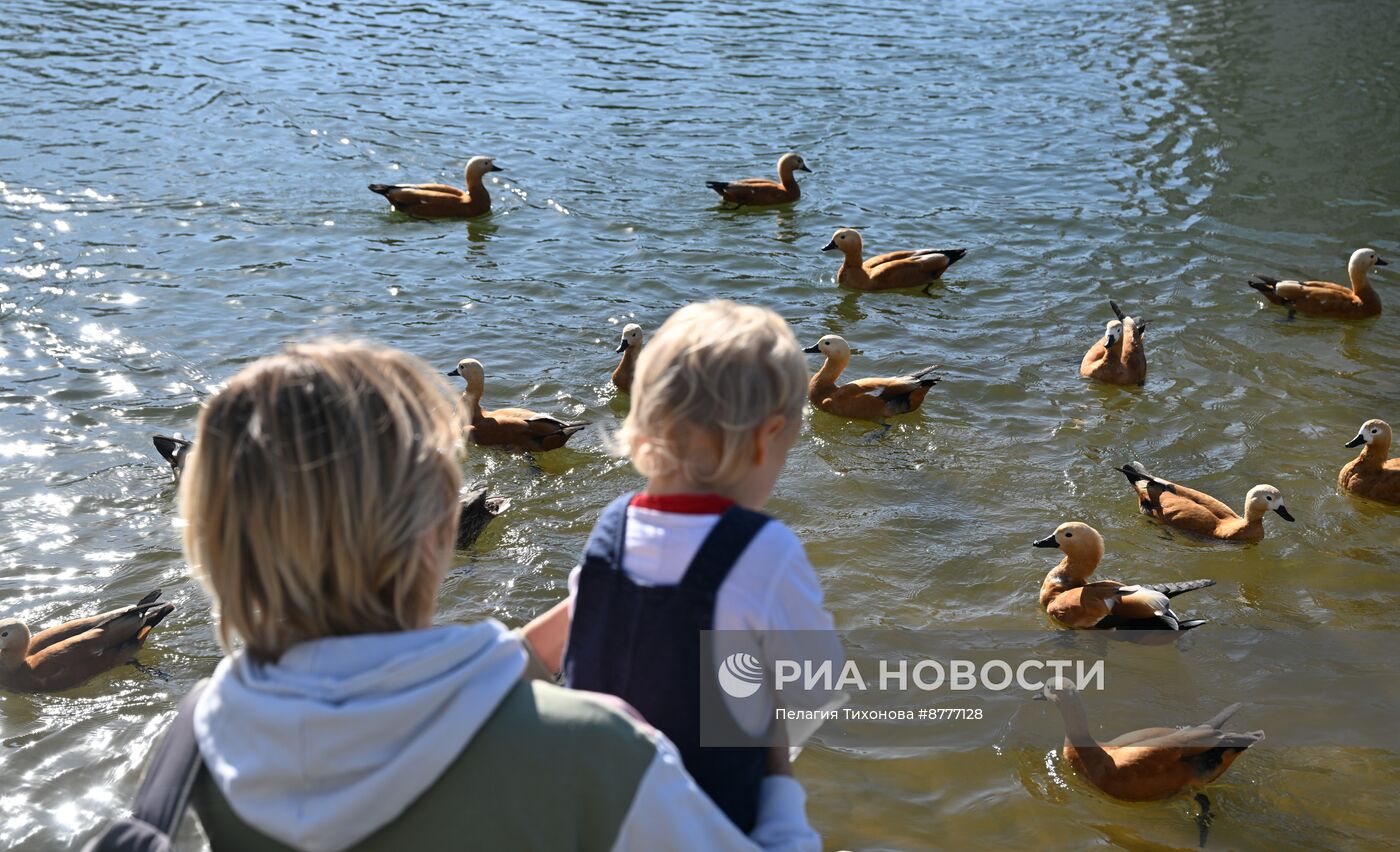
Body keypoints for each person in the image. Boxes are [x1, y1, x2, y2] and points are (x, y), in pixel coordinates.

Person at [170, 340, 819, 851]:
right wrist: (773, 761)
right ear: (435, 534)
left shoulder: (206, 732)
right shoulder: (600, 748)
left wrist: (586, 607)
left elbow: (412, 700)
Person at [528, 301, 842, 834]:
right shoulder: (765, 551)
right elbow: (818, 687)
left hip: (584, 814)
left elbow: (552, 646)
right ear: (768, 439)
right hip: (704, 822)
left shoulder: (614, 526)